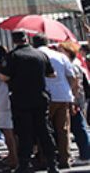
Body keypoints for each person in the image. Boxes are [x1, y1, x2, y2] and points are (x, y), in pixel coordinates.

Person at [0, 31, 59, 173]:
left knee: (24, 132)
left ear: (14, 40)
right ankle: (52, 163)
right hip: (40, 97)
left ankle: (24, 164)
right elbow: (52, 74)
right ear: (26, 38)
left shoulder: (12, 56)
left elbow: (4, 77)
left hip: (21, 99)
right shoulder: (40, 54)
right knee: (44, 131)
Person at [35, 33, 76, 169]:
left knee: (44, 129)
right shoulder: (60, 56)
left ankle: (45, 158)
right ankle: (65, 159)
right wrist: (70, 92)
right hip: (63, 95)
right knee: (63, 129)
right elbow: (72, 77)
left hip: (44, 96)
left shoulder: (35, 56)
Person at [59, 41, 90, 161]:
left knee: (79, 127)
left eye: (61, 50)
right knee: (78, 127)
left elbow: (76, 84)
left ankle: (86, 154)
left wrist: (73, 101)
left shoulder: (72, 66)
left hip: (75, 100)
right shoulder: (73, 65)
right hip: (76, 99)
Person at [0, 43, 18, 169]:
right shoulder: (11, 64)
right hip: (13, 99)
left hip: (1, 101)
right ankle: (15, 155)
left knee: (7, 132)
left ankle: (13, 157)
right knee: (14, 131)